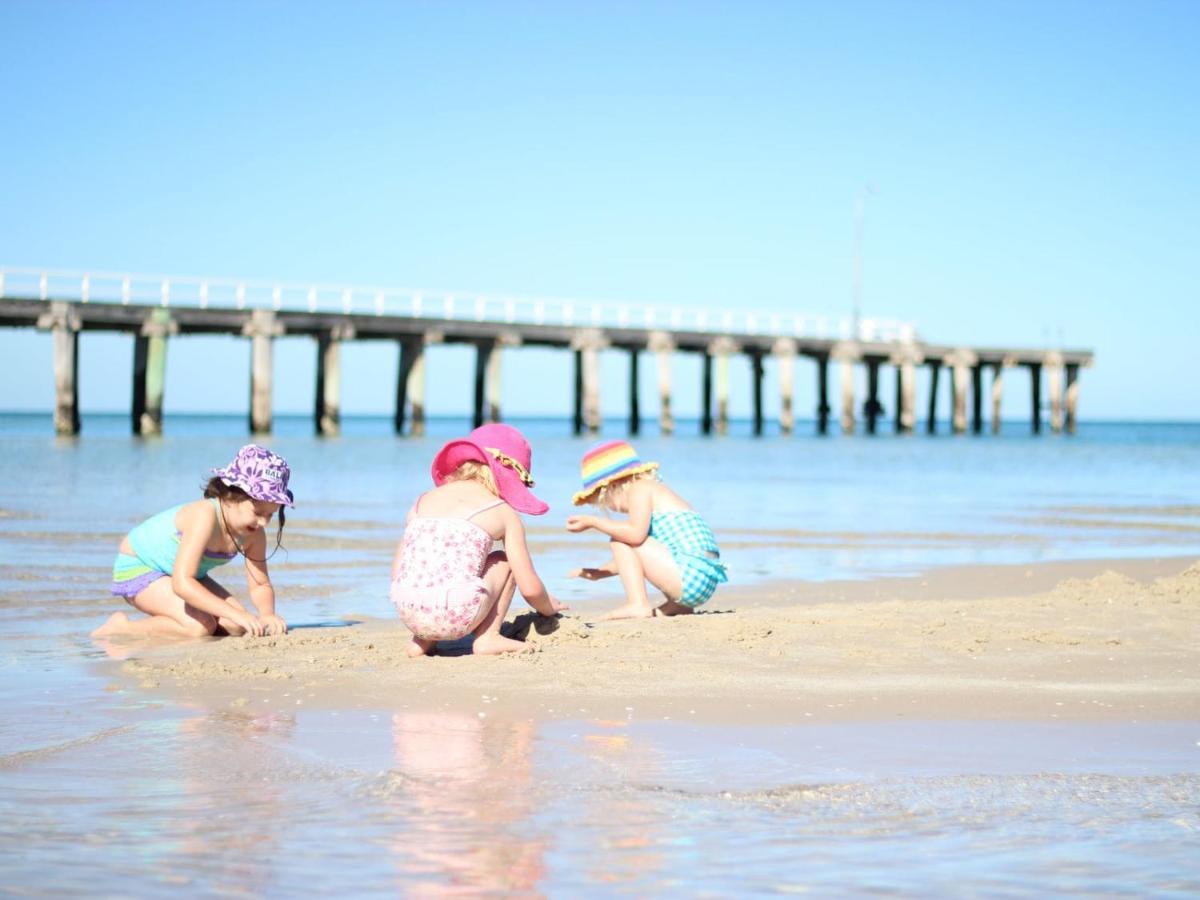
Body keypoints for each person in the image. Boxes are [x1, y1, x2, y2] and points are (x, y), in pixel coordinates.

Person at [390, 423, 565, 657]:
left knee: (431, 567)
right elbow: (530, 588)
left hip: (408, 611)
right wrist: (549, 607)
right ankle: (488, 638)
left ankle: (422, 642)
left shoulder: (422, 501)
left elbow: (397, 572)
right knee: (505, 561)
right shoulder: (502, 512)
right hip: (458, 614)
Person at [92, 444, 293, 639]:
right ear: (231, 496)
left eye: (271, 515)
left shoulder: (254, 534)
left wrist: (267, 614)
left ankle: (177, 620)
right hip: (141, 567)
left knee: (237, 626)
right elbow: (182, 584)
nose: (263, 522)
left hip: (185, 575)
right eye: (258, 512)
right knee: (200, 627)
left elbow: (260, 584)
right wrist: (234, 612)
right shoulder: (205, 515)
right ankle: (122, 628)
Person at [565, 439, 727, 619]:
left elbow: (634, 537)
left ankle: (637, 604)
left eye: (605, 503)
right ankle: (679, 607)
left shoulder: (640, 488)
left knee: (619, 538)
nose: (611, 509)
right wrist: (600, 573)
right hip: (702, 581)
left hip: (688, 577)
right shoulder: (655, 491)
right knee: (627, 537)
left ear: (612, 486)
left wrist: (594, 522)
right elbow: (636, 557)